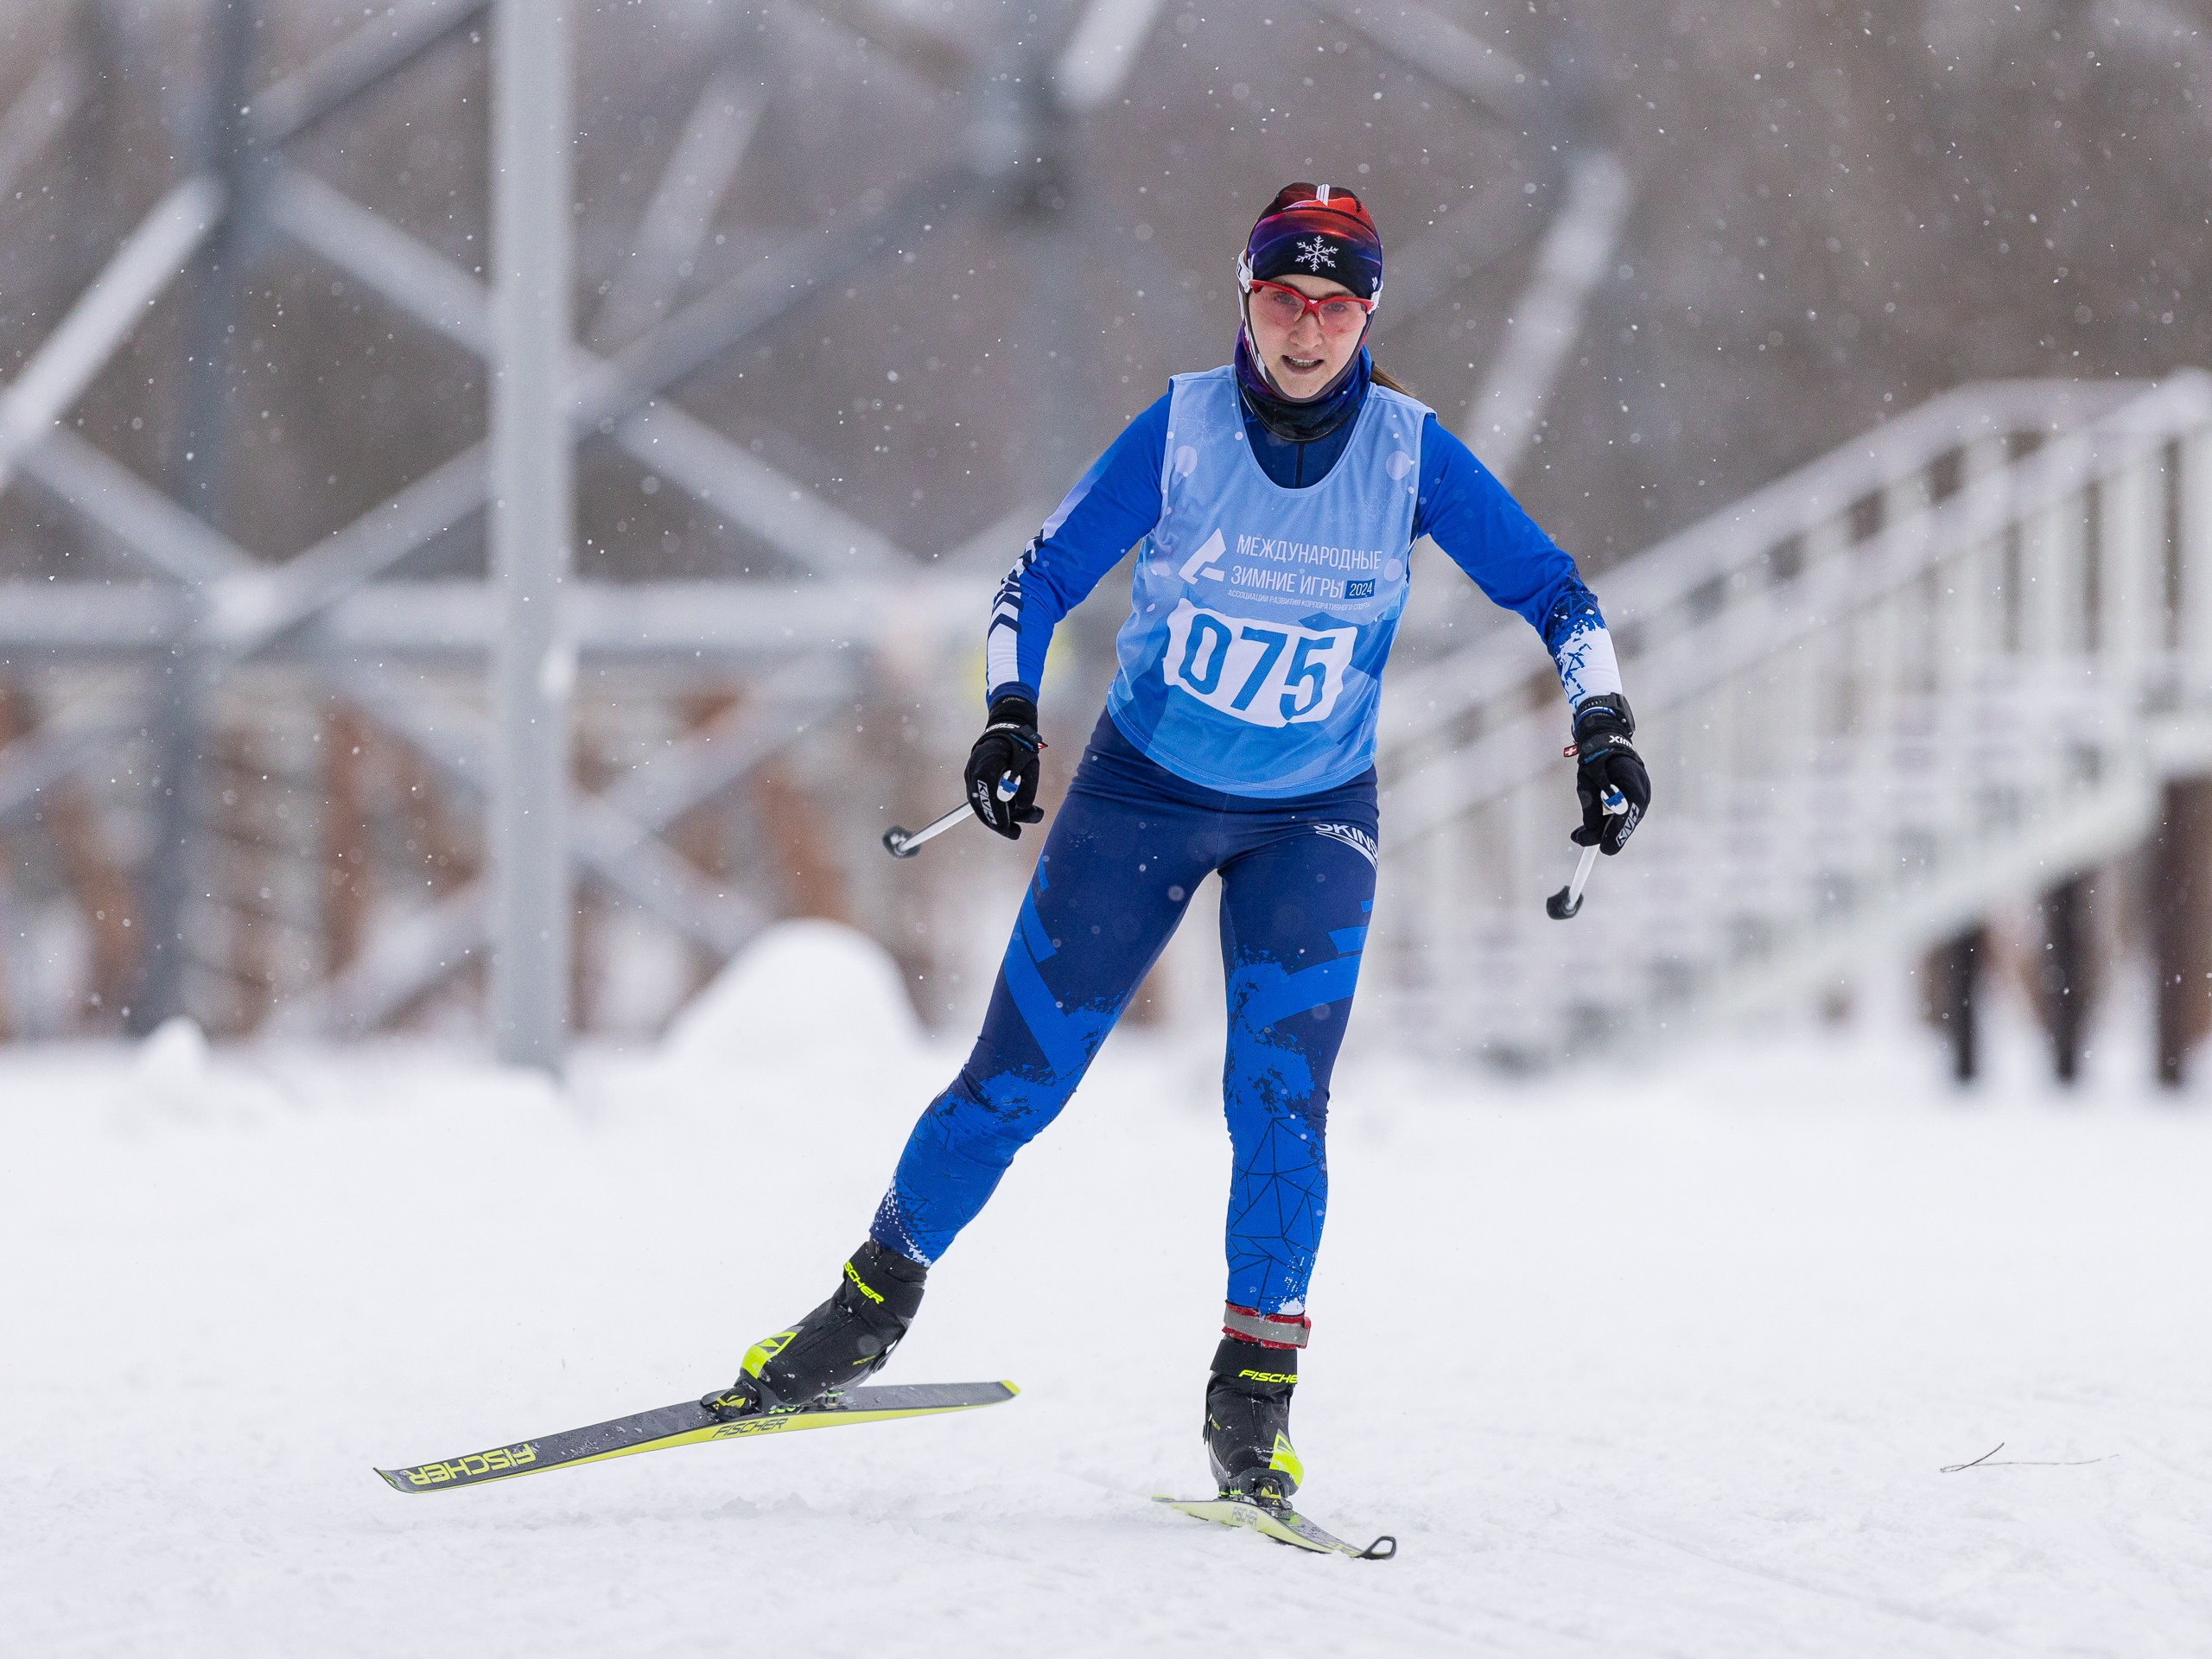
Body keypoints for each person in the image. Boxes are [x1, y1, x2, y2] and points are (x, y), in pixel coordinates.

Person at [702, 184, 1650, 1508]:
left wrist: (1603, 726)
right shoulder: (1185, 431)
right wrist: (1010, 715)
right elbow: (1037, 581)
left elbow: (1557, 592)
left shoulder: (1411, 456)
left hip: (1311, 818)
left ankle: (1252, 1397)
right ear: (1245, 299)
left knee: (1279, 1102)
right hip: (1139, 800)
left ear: (1369, 314)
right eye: (1282, 300)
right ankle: (867, 1307)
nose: (1306, 330)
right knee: (1015, 1085)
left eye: (1334, 307)